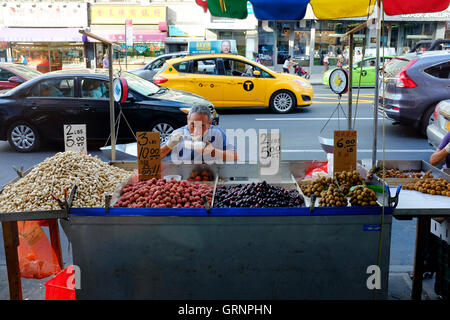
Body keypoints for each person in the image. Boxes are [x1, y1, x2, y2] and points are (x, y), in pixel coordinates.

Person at [161, 105, 238, 163]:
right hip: (184, 176)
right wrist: (168, 145)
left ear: (210, 123)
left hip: (211, 174)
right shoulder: (178, 134)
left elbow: (234, 156)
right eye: (193, 125)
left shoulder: (217, 133)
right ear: (188, 120)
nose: (196, 130)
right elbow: (154, 157)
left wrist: (213, 151)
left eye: (202, 126)